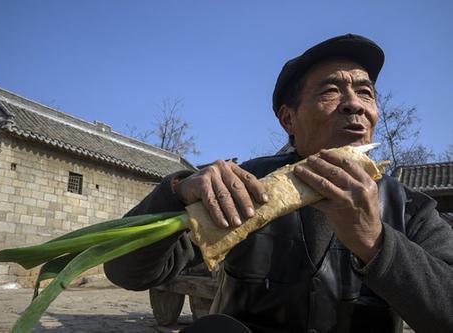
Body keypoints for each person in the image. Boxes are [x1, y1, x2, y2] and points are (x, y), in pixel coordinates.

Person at [104, 34, 453, 333]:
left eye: (366, 93)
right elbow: (127, 273)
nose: (354, 105)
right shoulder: (244, 186)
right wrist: (175, 193)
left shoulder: (409, 208)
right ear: (288, 119)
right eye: (331, 91)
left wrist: (375, 242)